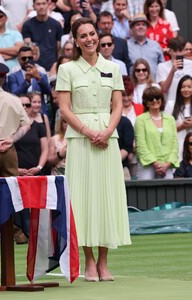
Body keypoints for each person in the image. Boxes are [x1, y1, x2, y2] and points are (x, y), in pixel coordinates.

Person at [56, 17, 131, 282]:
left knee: (107, 197)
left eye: (92, 34)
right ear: (75, 41)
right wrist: (88, 132)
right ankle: (88, 262)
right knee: (83, 199)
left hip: (108, 138)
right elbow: (65, 108)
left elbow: (118, 105)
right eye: (83, 36)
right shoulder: (67, 70)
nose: (89, 39)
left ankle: (104, 262)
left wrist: (108, 131)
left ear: (98, 36)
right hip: (80, 139)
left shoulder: (113, 67)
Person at [0, 60, 30, 177]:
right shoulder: (14, 100)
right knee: (11, 189)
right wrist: (11, 140)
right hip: (9, 149)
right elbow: (26, 125)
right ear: (4, 79)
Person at [134, 86, 179, 179]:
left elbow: (175, 144)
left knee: (168, 193)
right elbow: (141, 145)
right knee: (146, 192)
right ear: (146, 102)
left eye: (157, 97)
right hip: (147, 165)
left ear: (161, 100)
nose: (154, 100)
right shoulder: (140, 120)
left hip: (167, 165)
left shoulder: (170, 119)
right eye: (150, 98)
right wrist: (155, 163)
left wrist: (167, 164)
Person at [22, 0, 63, 72]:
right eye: (38, 4)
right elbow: (28, 47)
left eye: (44, 4)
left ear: (48, 5)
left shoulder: (56, 24)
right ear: (33, 6)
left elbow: (59, 48)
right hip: (35, 67)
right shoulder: (27, 25)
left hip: (52, 66)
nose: (41, 7)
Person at [8, 46, 51, 113]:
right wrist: (27, 82)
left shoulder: (41, 74)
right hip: (21, 112)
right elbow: (14, 94)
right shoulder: (13, 76)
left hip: (40, 112)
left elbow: (48, 91)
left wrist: (38, 78)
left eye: (30, 58)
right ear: (18, 59)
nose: (27, 60)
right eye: (24, 58)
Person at [15, 94, 48, 176]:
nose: (24, 107)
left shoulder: (39, 127)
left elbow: (45, 150)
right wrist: (15, 169)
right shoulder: (10, 127)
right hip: (15, 174)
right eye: (21, 105)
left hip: (36, 173)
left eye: (27, 105)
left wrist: (39, 167)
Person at [127, 12, 164, 79]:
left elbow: (162, 68)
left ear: (147, 28)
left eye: (143, 25)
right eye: (138, 25)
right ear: (132, 28)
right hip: (133, 86)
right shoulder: (126, 46)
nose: (141, 27)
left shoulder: (156, 46)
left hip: (153, 85)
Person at [156, 36, 192, 104]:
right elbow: (164, 89)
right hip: (171, 104)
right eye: (175, 51)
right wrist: (172, 71)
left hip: (188, 104)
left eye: (180, 50)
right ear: (169, 51)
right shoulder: (162, 66)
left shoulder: (190, 64)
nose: (178, 54)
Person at [165, 75, 192, 161]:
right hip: (176, 147)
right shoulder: (171, 105)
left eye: (189, 87)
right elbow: (165, 129)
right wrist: (182, 126)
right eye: (183, 87)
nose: (186, 89)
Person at [122, 76, 144, 179]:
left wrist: (134, 147)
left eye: (129, 95)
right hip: (121, 154)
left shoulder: (140, 108)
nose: (126, 98)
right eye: (123, 95)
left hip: (137, 154)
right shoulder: (113, 111)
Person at [0, 5, 24, 71]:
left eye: (0, 16)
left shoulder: (16, 33)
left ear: (6, 18)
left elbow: (19, 50)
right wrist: (14, 55)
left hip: (15, 73)